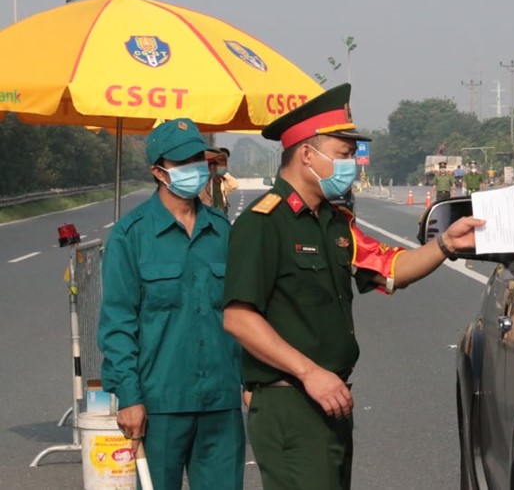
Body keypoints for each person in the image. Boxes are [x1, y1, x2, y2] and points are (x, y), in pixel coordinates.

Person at [221, 83, 483, 490]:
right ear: (308, 154)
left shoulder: (335, 222)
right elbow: (239, 319)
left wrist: (447, 244)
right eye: (343, 155)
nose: (353, 166)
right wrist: (310, 374)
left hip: (330, 398)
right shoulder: (263, 223)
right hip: (292, 401)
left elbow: (389, 268)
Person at [97, 118, 245, 490]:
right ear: (158, 171)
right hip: (159, 403)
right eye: (184, 162)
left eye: (200, 159)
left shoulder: (221, 231)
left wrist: (249, 381)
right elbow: (117, 324)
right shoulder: (130, 236)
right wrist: (129, 397)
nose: (196, 169)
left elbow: (242, 313)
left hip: (221, 402)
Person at [200, 147, 239, 216]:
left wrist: (224, 174)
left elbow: (234, 185)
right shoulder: (203, 181)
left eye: (225, 161)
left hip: (221, 212)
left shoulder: (223, 179)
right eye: (219, 161)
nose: (222, 164)